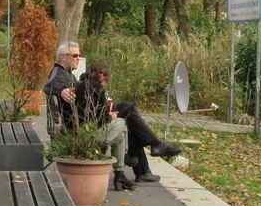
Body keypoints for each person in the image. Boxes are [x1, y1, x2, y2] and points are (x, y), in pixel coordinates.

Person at [43, 41, 182, 183]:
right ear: (62, 57)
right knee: (128, 112)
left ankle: (146, 162)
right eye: (74, 55)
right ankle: (149, 156)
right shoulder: (58, 73)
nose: (78, 58)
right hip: (83, 126)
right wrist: (61, 90)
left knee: (129, 113)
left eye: (79, 55)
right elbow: (49, 85)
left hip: (85, 119)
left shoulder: (66, 74)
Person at [71, 63, 136, 191]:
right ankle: (122, 165)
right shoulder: (98, 88)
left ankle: (120, 175)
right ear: (103, 77)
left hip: (79, 130)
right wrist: (110, 115)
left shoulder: (78, 85)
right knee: (121, 122)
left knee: (120, 136)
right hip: (91, 134)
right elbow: (100, 119)